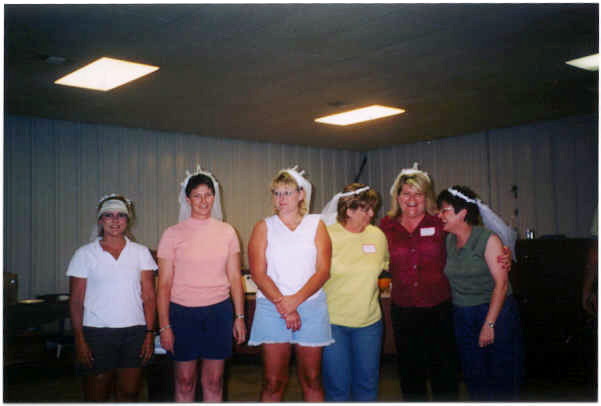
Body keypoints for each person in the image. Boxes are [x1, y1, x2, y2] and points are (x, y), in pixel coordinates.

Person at [379, 163, 512, 401]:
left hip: (439, 308)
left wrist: (503, 253)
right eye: (406, 193)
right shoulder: (385, 226)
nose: (412, 199)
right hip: (404, 308)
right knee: (410, 373)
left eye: (418, 193)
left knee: (444, 372)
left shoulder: (439, 223)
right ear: (397, 196)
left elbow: (470, 236)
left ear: (426, 196)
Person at [156, 168, 246, 402]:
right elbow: (163, 284)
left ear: (214, 197)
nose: (203, 201)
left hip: (218, 312)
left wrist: (240, 317)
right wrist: (164, 326)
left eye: (208, 194)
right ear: (187, 199)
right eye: (197, 195)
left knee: (214, 381)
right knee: (185, 382)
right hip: (182, 313)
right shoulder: (172, 234)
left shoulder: (228, 232)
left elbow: (235, 278)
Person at [247, 166, 333, 402]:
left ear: (301, 194)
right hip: (272, 308)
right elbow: (258, 273)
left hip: (311, 307)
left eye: (287, 192)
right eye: (276, 193)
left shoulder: (316, 225)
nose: (280, 199)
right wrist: (284, 305)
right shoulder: (264, 227)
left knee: (312, 379)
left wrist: (294, 301)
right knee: (273, 381)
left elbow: (323, 271)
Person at [67, 194, 157, 401]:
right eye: (108, 215)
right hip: (97, 334)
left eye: (121, 216)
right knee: (97, 394)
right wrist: (79, 339)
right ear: (100, 220)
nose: (115, 221)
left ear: (128, 220)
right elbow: (76, 301)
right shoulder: (84, 254)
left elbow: (149, 297)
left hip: (134, 333)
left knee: (129, 392)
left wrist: (149, 334)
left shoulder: (141, 253)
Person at [437, 185, 523, 401]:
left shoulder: (488, 239)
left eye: (445, 210)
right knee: (474, 377)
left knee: (501, 378)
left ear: (463, 213)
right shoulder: (449, 240)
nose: (439, 215)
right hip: (463, 315)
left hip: (494, 313)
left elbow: (501, 285)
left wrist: (489, 323)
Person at [319, 183, 389, 401]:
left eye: (372, 209)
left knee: (367, 386)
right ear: (348, 210)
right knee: (337, 387)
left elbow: (383, 268)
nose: (372, 214)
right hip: (333, 324)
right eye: (366, 209)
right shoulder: (326, 235)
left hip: (369, 324)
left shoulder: (377, 235)